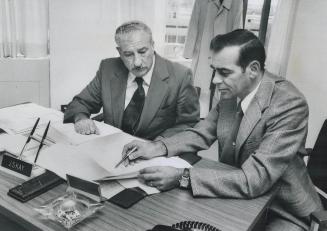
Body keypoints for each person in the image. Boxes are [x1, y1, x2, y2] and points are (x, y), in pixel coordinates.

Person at [122, 29, 323, 231]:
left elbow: (255, 179)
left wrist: (182, 177)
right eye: (214, 70)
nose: (215, 80)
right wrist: (156, 147)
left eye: (224, 72)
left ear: (253, 69)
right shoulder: (231, 91)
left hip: (282, 210)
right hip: (237, 197)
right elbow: (201, 133)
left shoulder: (289, 103)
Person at [64, 21, 200, 140]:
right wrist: (81, 118)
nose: (137, 63)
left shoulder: (180, 75)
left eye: (142, 52)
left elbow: (188, 124)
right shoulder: (108, 68)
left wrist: (159, 145)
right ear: (119, 52)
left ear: (153, 45)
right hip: (111, 147)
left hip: (154, 152)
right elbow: (80, 103)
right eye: (128, 54)